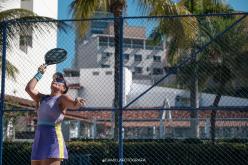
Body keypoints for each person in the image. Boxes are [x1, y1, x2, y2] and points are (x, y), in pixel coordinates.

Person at [25, 64, 86, 165]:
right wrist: (39, 73)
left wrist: (77, 101)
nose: (56, 80)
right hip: (39, 139)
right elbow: (29, 89)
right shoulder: (42, 98)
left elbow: (74, 104)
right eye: (55, 79)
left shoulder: (62, 98)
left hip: (53, 140)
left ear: (63, 88)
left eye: (60, 81)